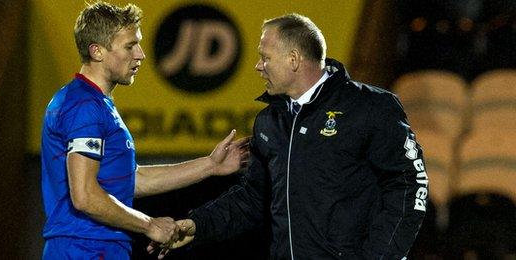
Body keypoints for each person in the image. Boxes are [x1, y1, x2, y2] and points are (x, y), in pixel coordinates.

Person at [152, 13, 428, 259]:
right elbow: (252, 199)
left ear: (293, 59)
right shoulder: (269, 122)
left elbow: (409, 184)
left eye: (265, 57)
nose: (258, 66)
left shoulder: (370, 107)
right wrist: (199, 225)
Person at [40, 2, 249, 259]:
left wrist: (210, 166)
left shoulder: (93, 103)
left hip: (95, 247)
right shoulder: (84, 106)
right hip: (85, 249)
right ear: (97, 51)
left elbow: (130, 180)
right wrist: (149, 224)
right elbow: (84, 196)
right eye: (129, 46)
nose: (140, 54)